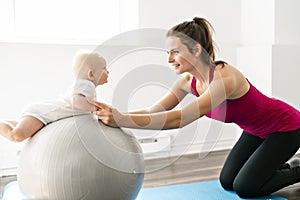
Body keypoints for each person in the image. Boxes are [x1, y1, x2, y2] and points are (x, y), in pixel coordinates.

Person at [91, 17, 300, 198]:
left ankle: (297, 170)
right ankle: (272, 167)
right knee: (227, 181)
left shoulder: (223, 78)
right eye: (168, 52)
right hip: (256, 130)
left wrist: (121, 120)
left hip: (286, 128)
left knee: (246, 188)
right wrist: (116, 115)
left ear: (196, 49)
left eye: (174, 52)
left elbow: (179, 119)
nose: (169, 59)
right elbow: (155, 110)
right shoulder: (187, 82)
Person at [0, 50, 109, 142]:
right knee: (16, 135)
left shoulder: (84, 85)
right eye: (104, 68)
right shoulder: (86, 84)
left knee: (19, 127)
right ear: (91, 74)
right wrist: (96, 108)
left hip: (43, 113)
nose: (108, 72)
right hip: (41, 113)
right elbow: (76, 101)